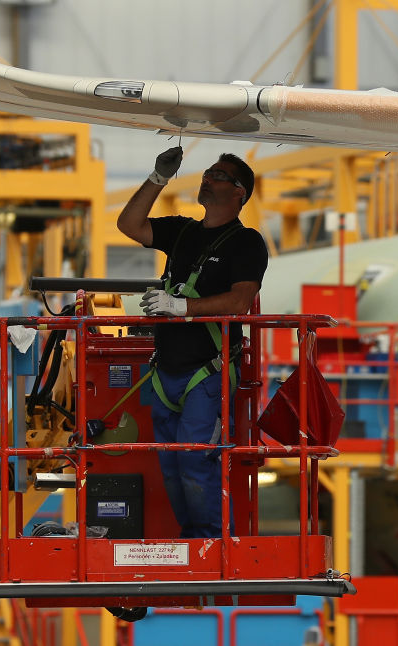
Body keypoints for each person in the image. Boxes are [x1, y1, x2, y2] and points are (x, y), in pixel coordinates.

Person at [116, 146, 268, 538]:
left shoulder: (246, 243)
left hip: (207, 373)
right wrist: (157, 177)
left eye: (218, 175)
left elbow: (239, 301)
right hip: (165, 372)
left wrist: (180, 307)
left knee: (195, 459)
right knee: (171, 463)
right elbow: (130, 225)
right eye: (206, 173)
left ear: (239, 193)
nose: (206, 178)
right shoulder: (182, 231)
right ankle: (191, 542)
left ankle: (212, 545)